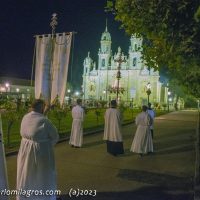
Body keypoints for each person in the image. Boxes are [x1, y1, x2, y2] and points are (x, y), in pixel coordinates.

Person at [16, 99, 59, 200]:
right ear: (41, 107)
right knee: (41, 175)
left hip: (24, 151)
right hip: (40, 152)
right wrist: (48, 144)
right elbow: (55, 136)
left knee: (27, 174)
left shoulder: (25, 117)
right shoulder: (44, 121)